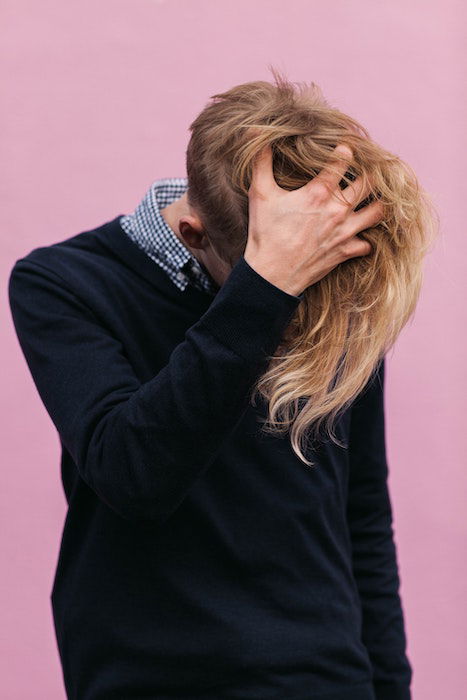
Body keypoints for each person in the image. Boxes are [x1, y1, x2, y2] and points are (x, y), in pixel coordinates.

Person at [9, 72, 433, 700]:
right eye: (290, 280)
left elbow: (360, 511)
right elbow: (133, 473)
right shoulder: (63, 284)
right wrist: (261, 290)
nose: (306, 308)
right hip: (147, 680)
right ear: (192, 236)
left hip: (325, 678)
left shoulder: (333, 276)